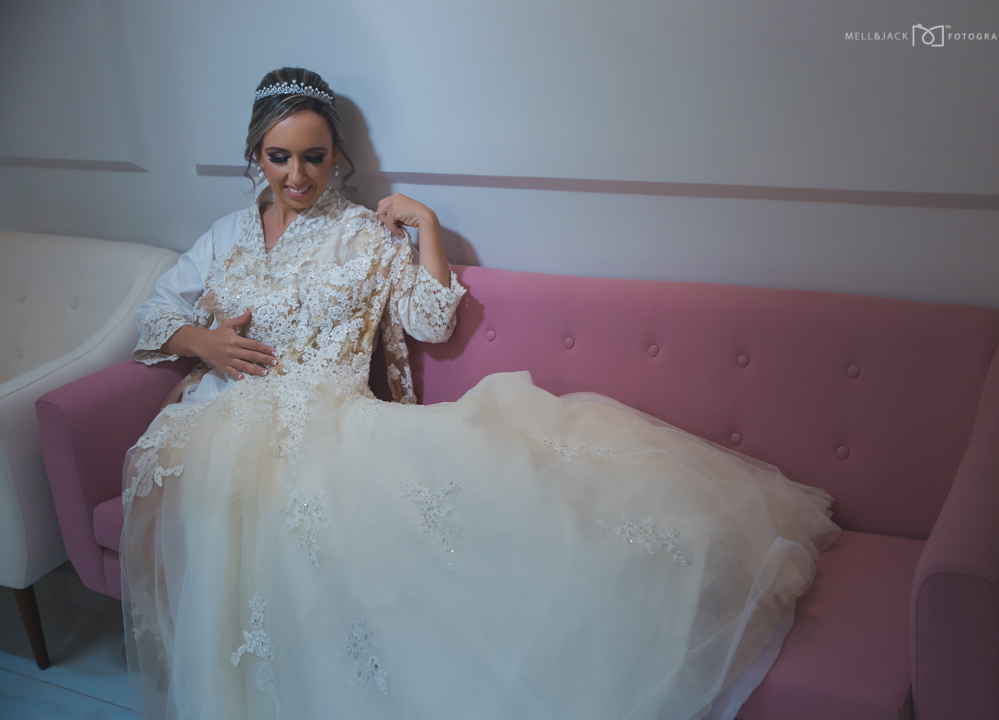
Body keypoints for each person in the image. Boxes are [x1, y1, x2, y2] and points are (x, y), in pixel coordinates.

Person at [120, 67, 839, 720]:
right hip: (224, 423)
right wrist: (202, 342)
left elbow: (430, 320)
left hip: (334, 422)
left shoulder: (360, 233)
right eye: (280, 157)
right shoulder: (227, 236)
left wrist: (428, 227)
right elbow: (154, 313)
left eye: (315, 156)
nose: (298, 175)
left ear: (337, 155)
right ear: (256, 155)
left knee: (519, 505)